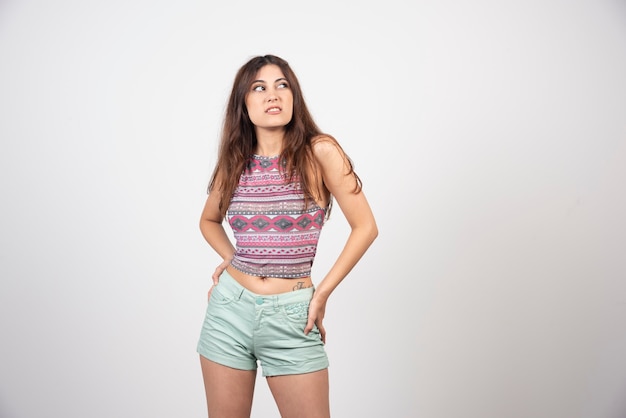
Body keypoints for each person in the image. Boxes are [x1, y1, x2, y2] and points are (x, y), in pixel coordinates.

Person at [197, 54, 378, 418]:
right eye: (259, 88)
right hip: (229, 311)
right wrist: (235, 257)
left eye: (282, 85)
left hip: (294, 315)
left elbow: (366, 227)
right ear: (243, 104)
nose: (272, 95)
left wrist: (321, 293)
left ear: (294, 96)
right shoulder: (235, 161)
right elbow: (209, 220)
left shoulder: (320, 152)